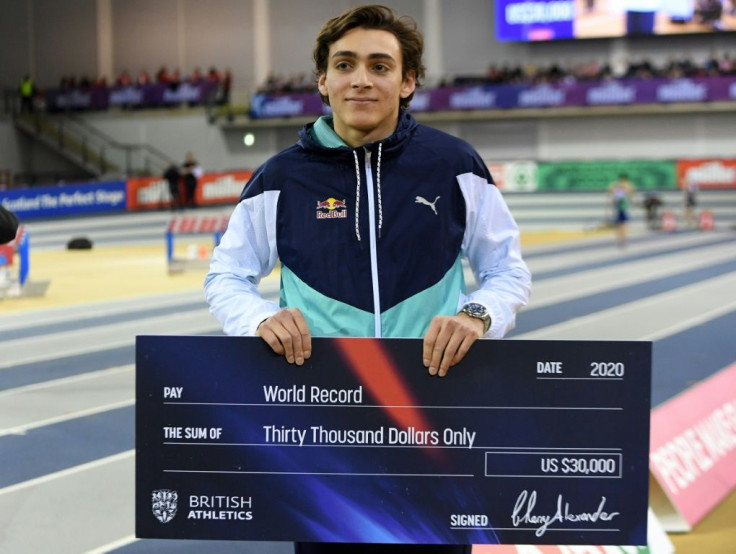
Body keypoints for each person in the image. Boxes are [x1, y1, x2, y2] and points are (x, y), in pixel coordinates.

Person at [204, 5, 531, 553]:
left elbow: (507, 271)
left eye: (380, 66)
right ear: (322, 80)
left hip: (432, 419)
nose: (361, 79)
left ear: (407, 82)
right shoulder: (280, 178)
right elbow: (225, 276)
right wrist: (259, 318)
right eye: (345, 64)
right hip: (325, 428)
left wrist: (478, 316)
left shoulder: (454, 164)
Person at [608, 173, 635, 247]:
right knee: (621, 224)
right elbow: (611, 191)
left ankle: (622, 239)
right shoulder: (618, 185)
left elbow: (630, 192)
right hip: (620, 206)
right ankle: (621, 239)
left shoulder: (623, 185)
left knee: (621, 224)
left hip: (623, 207)